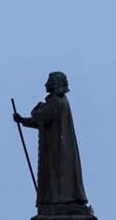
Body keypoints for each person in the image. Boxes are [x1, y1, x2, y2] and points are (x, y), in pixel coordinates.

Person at [13, 71, 88, 206]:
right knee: (58, 174)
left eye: (48, 81)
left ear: (55, 83)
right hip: (58, 146)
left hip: (56, 148)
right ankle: (59, 198)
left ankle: (58, 200)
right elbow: (43, 121)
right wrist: (22, 120)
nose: (45, 84)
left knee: (56, 173)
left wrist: (36, 109)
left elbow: (40, 117)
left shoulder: (55, 101)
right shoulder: (61, 100)